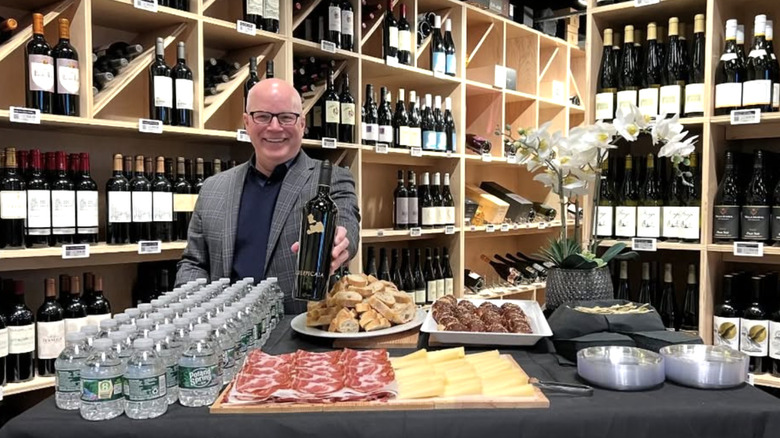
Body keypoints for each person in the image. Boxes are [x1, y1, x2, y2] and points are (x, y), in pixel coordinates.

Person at [175, 79, 361, 314]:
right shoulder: (213, 188)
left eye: (286, 117)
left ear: (302, 124)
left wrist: (339, 243)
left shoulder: (332, 179)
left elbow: (347, 225)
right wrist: (191, 313)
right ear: (246, 123)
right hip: (228, 337)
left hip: (301, 338)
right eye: (262, 116)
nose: (274, 127)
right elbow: (194, 262)